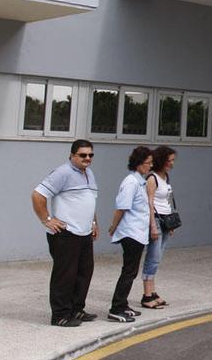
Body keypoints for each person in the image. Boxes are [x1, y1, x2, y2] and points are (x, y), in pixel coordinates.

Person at [31, 139, 99, 327]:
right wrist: (47, 220)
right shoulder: (63, 172)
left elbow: (89, 200)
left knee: (84, 272)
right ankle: (60, 315)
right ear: (72, 155)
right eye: (83, 155)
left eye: (90, 155)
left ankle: (76, 310)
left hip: (84, 233)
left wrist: (94, 222)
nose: (87, 158)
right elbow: (37, 195)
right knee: (65, 275)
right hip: (66, 234)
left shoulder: (89, 174)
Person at [107, 146, 153, 323]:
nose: (150, 166)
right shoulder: (131, 182)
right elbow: (122, 207)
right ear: (139, 164)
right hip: (131, 234)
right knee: (128, 271)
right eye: (148, 163)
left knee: (131, 271)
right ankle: (116, 308)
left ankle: (123, 304)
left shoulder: (139, 181)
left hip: (138, 233)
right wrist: (114, 226)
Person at [141, 146, 177, 309]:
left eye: (173, 160)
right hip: (155, 219)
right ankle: (147, 295)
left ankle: (153, 292)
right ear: (161, 160)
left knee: (159, 256)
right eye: (169, 160)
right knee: (153, 256)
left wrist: (170, 223)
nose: (171, 164)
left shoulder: (165, 177)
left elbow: (167, 200)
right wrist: (152, 226)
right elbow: (149, 202)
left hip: (165, 219)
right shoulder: (152, 178)